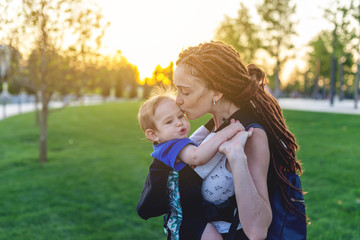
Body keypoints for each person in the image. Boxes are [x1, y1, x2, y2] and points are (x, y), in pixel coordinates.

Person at [171, 41, 305, 239]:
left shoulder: (251, 136)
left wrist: (237, 158)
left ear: (216, 92)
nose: (178, 100)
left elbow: (257, 230)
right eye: (177, 89)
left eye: (186, 91)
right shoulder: (213, 126)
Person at [137, 91, 252, 240]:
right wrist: (228, 130)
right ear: (153, 135)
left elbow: (197, 136)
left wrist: (216, 120)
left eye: (180, 116)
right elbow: (197, 156)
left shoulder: (168, 143)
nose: (178, 123)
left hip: (190, 212)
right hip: (185, 219)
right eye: (168, 122)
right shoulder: (170, 147)